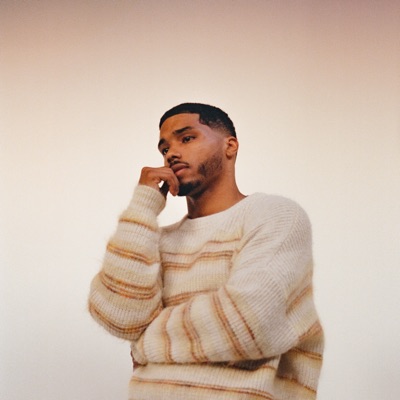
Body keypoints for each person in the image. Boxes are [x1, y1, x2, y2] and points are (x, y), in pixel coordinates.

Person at [88, 103, 324, 400]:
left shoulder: (274, 215)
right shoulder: (157, 241)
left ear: (230, 146)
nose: (171, 154)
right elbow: (121, 318)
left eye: (187, 138)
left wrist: (143, 342)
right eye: (164, 148)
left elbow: (249, 320)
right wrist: (143, 205)